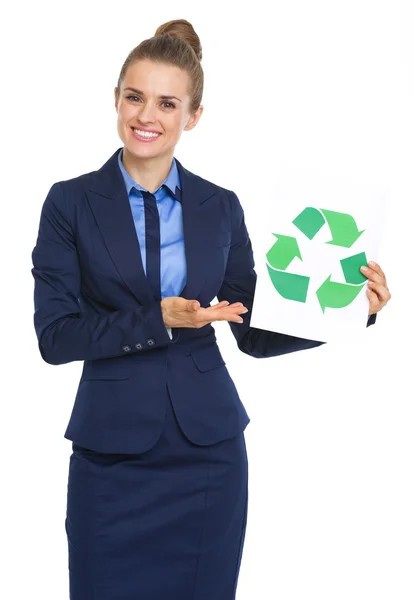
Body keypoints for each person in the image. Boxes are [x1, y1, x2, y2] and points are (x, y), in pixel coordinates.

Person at [31, 19, 391, 600]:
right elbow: (56, 336)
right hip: (111, 456)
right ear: (116, 100)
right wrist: (159, 321)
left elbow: (251, 329)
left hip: (208, 457)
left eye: (167, 103)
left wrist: (354, 311)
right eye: (135, 97)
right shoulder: (69, 202)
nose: (147, 116)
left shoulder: (218, 207)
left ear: (192, 115)